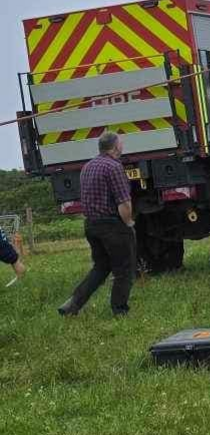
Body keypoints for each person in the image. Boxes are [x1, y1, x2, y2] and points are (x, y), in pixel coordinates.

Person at [58, 131, 137, 317]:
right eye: (121, 143)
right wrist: (129, 223)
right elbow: (124, 203)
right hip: (111, 226)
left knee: (101, 267)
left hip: (91, 225)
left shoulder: (88, 166)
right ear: (115, 147)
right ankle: (120, 310)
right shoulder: (114, 167)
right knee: (124, 269)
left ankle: (73, 304)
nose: (122, 146)